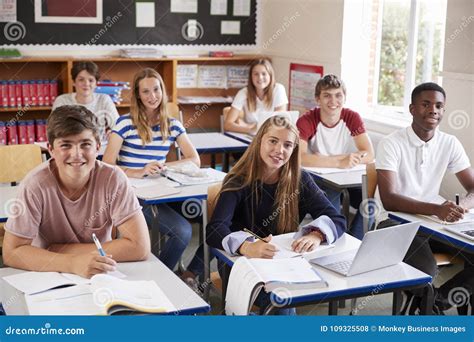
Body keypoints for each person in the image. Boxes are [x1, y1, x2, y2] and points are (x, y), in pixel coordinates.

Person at [206, 115, 346, 315]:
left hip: (284, 264)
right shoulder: (238, 180)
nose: (280, 150)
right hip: (240, 265)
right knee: (283, 303)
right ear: (260, 141)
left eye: (288, 145)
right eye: (273, 141)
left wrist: (316, 234)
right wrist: (247, 246)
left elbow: (337, 218)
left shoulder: (300, 179)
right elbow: (214, 230)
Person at [3, 105, 150, 279]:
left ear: (97, 146)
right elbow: (12, 252)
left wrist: (61, 249)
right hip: (48, 273)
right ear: (50, 149)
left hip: (100, 272)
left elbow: (140, 247)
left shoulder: (114, 179)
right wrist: (73, 263)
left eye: (85, 144)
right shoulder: (34, 185)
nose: (77, 154)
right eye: (66, 145)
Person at [376, 82, 474, 313]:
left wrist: (462, 208)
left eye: (439, 106)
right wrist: (437, 208)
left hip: (435, 224)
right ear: (412, 109)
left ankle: (435, 303)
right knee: (426, 273)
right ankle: (430, 302)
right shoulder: (391, 143)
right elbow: (389, 200)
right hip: (394, 223)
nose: (433, 110)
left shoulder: (449, 143)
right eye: (426, 104)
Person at [103, 68, 202, 274]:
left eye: (156, 90)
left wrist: (165, 167)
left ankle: (191, 274)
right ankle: (161, 278)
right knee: (182, 232)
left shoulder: (172, 125)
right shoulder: (124, 123)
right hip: (134, 196)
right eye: (146, 92)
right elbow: (107, 165)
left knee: (214, 221)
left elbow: (194, 160)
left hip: (164, 191)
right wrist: (138, 171)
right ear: (138, 95)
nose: (153, 96)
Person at [296, 74, 374, 239]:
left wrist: (344, 159)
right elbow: (300, 157)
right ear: (318, 99)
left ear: (344, 98)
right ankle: (335, 240)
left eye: (338, 95)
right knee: (331, 206)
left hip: (344, 176)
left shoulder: (352, 117)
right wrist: (339, 162)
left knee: (371, 200)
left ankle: (355, 241)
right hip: (318, 177)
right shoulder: (307, 120)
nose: (333, 101)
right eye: (327, 96)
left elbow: (369, 153)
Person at [53, 61, 119, 142]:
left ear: (96, 83)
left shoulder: (104, 99)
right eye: (81, 80)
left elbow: (118, 127)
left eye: (91, 80)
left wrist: (113, 133)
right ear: (74, 82)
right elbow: (54, 130)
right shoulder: (62, 101)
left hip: (98, 149)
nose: (86, 84)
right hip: (70, 147)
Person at [224, 58, 288, 134]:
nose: (260, 77)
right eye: (256, 74)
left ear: (270, 75)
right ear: (251, 77)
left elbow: (279, 123)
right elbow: (227, 125)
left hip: (271, 136)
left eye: (264, 74)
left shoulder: (278, 89)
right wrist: (250, 129)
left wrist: (250, 126)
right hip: (251, 137)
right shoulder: (243, 92)